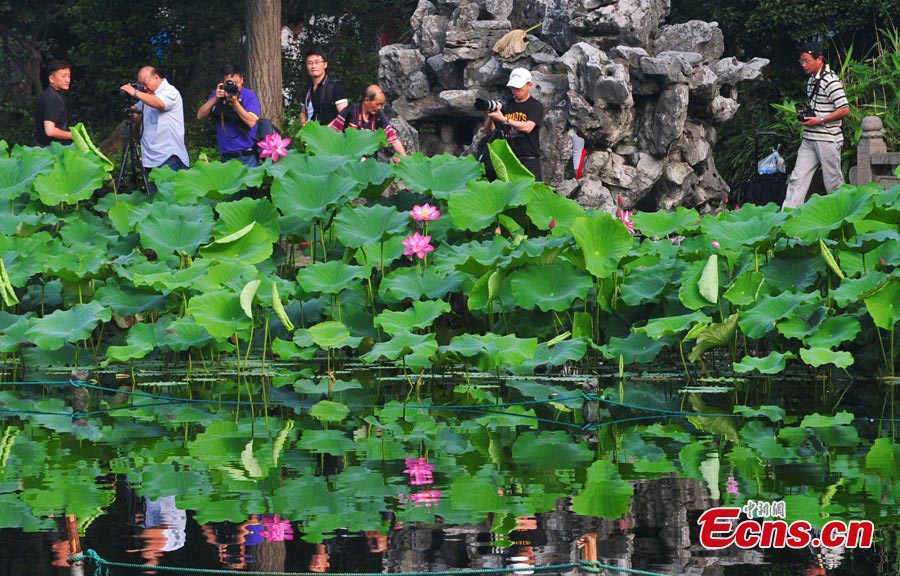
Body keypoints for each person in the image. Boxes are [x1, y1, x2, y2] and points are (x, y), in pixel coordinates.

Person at [782, 41, 850, 209]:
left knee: (833, 183)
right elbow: (818, 106)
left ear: (819, 59)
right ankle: (786, 221)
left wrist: (820, 120)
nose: (804, 65)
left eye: (807, 61)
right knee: (797, 179)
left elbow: (844, 109)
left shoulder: (830, 80)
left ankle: (842, 222)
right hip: (809, 137)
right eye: (801, 61)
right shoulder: (812, 80)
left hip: (828, 139)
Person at [119, 66, 190, 189]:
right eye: (141, 85)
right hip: (149, 158)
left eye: (145, 84)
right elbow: (136, 114)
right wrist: (128, 98)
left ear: (156, 77)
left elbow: (160, 104)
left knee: (171, 201)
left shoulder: (169, 91)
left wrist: (135, 92)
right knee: (154, 202)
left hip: (168, 157)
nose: (144, 88)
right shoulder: (148, 95)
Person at [483, 68, 544, 181]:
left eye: (518, 87)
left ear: (529, 85)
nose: (515, 90)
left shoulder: (535, 106)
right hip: (508, 159)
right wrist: (491, 117)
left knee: (532, 194)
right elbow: (489, 130)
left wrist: (504, 119)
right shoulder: (506, 104)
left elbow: (528, 127)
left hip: (528, 159)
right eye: (512, 88)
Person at [197, 64, 261, 167]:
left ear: (242, 80)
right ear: (222, 83)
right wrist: (215, 99)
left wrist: (235, 102)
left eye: (236, 83)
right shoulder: (218, 95)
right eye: (229, 83)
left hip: (246, 157)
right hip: (225, 158)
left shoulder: (248, 95)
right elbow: (200, 115)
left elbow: (252, 122)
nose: (233, 86)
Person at [330, 85, 408, 157]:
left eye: (381, 105)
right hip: (348, 160)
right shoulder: (349, 112)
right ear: (367, 100)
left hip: (369, 163)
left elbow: (394, 140)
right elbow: (333, 135)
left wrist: (406, 161)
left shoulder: (379, 116)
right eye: (378, 104)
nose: (379, 108)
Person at [300, 48, 348, 126]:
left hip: (330, 136)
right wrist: (303, 122)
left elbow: (344, 115)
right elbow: (303, 112)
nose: (313, 66)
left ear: (325, 64)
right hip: (311, 136)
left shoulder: (335, 86)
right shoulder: (307, 88)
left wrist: (325, 131)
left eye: (317, 62)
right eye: (309, 63)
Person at [33, 60, 73, 147]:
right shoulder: (51, 99)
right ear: (51, 79)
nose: (67, 80)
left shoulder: (55, 95)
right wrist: (72, 135)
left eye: (69, 76)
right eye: (63, 76)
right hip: (48, 150)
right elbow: (50, 131)